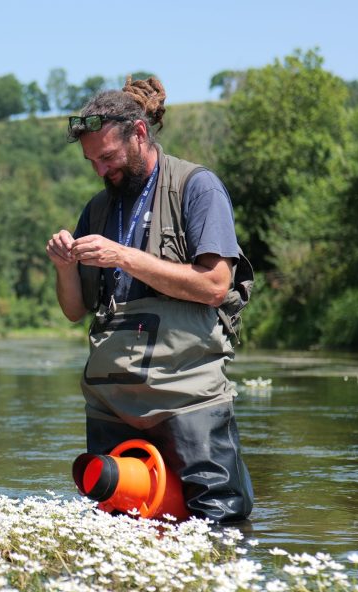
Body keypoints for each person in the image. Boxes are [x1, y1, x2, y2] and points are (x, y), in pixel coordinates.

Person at [46, 76, 254, 523]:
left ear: (139, 134)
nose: (101, 171)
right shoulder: (96, 209)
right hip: (111, 401)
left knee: (218, 523)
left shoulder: (198, 188)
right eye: (91, 161)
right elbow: (74, 310)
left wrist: (123, 256)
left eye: (108, 157)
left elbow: (216, 285)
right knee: (114, 525)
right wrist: (65, 265)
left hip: (187, 398)